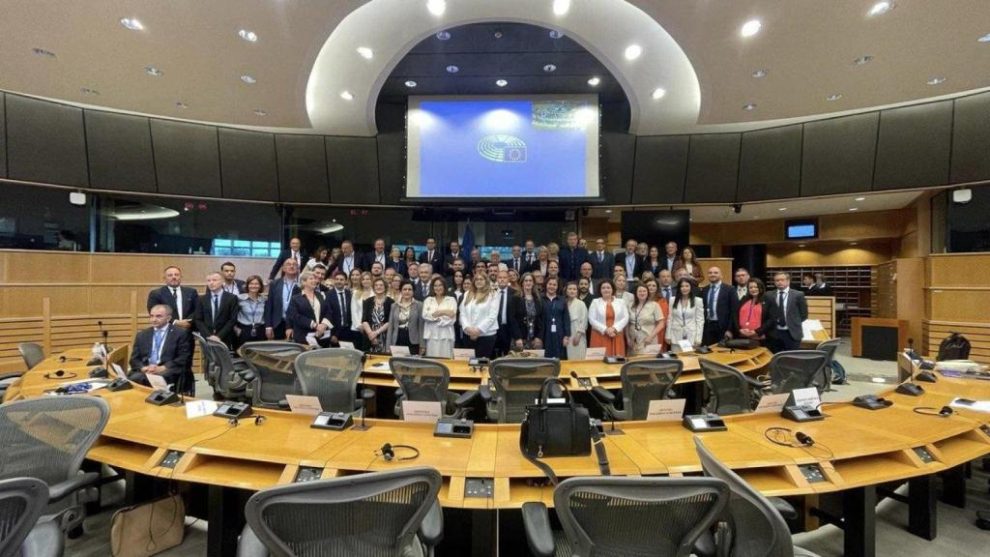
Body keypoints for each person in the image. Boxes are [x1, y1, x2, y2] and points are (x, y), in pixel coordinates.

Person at [128, 304, 191, 388]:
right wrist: (143, 368)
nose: (154, 319)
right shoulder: (142, 335)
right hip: (146, 370)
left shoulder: (180, 333)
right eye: (152, 316)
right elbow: (134, 359)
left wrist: (163, 368)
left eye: (158, 316)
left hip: (168, 370)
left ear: (168, 318)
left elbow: (183, 358)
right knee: (132, 378)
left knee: (148, 379)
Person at [286, 270, 333, 346]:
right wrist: (315, 325)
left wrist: (324, 325)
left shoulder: (322, 295)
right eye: (311, 278)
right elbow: (295, 316)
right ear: (303, 282)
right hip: (304, 336)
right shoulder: (296, 298)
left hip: (322, 336)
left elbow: (329, 312)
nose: (314, 280)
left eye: (315, 279)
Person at [765, 272, 808, 353]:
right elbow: (766, 314)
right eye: (777, 280)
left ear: (788, 281)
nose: (779, 282)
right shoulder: (769, 295)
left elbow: (804, 315)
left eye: (782, 280)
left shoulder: (798, 295)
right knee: (775, 357)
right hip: (774, 333)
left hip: (792, 333)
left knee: (792, 359)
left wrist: (793, 322)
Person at [459, 273, 499, 358]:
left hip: (486, 336)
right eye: (477, 279)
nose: (479, 281)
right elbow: (462, 313)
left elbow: (492, 316)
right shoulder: (467, 294)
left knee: (482, 364)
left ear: (486, 281)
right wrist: (467, 328)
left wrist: (478, 330)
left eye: (481, 279)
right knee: (469, 363)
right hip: (468, 335)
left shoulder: (493, 294)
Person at [194, 272, 239, 348]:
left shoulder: (231, 298)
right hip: (207, 338)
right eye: (208, 280)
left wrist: (219, 336)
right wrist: (209, 336)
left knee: (224, 359)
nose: (211, 283)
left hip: (225, 337)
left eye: (214, 280)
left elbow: (232, 319)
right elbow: (198, 319)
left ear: (222, 282)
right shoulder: (202, 299)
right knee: (209, 359)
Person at [148, 266, 198, 330]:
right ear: (164, 278)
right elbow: (155, 313)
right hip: (166, 330)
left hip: (188, 329)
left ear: (181, 277)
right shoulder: (156, 294)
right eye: (170, 275)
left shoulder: (191, 292)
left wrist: (188, 321)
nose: (174, 277)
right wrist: (175, 322)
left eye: (176, 275)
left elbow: (197, 310)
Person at [588, 280, 628, 357]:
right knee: (599, 361)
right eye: (603, 288)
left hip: (616, 333)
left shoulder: (621, 302)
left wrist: (614, 328)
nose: (606, 289)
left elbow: (625, 317)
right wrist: (606, 329)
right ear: (600, 290)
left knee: (617, 360)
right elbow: (591, 319)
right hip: (599, 334)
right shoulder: (595, 302)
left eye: (608, 287)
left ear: (612, 289)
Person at [264, 259, 299, 341]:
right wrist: (268, 326)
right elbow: (269, 305)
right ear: (283, 268)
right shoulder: (274, 284)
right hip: (277, 323)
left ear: (298, 269)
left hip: (295, 325)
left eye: (294, 264)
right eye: (288, 264)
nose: (291, 266)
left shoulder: (301, 285)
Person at [422, 276, 457, 358]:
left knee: (447, 359)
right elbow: (425, 315)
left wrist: (438, 313)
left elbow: (452, 317)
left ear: (444, 286)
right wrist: (445, 312)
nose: (438, 288)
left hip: (446, 334)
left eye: (440, 285)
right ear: (432, 287)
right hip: (431, 335)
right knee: (432, 360)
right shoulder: (428, 300)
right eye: (435, 285)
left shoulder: (451, 300)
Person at [666, 278, 705, 349]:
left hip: (691, 337)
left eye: (687, 286)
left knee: (689, 359)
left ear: (691, 287)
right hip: (675, 336)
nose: (684, 288)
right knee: (677, 359)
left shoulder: (698, 301)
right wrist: (668, 335)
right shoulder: (672, 300)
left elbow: (700, 321)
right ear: (679, 288)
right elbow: (670, 318)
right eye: (682, 286)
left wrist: (698, 338)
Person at [702, 266, 736, 346]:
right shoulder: (704, 290)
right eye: (710, 273)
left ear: (721, 275)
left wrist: (730, 329)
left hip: (723, 327)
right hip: (708, 326)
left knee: (722, 353)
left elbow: (734, 311)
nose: (712, 274)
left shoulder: (730, 289)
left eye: (715, 273)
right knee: (708, 351)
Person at [386, 281, 423, 354]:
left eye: (410, 289)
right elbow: (391, 327)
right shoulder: (394, 306)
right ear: (400, 291)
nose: (407, 291)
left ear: (413, 292)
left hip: (413, 341)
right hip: (397, 339)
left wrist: (422, 345)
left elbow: (421, 327)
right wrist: (388, 346)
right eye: (404, 289)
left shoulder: (419, 305)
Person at [627, 284, 664, 356]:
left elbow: (661, 323)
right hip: (633, 341)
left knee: (649, 363)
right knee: (634, 363)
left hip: (649, 339)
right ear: (636, 293)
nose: (642, 293)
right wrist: (628, 338)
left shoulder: (654, 305)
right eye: (640, 291)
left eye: (644, 291)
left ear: (648, 293)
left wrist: (651, 337)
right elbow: (627, 323)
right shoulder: (630, 305)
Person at [733, 278, 772, 346]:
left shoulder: (768, 300)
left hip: (760, 338)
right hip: (742, 337)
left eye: (756, 287)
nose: (753, 289)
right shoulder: (744, 299)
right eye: (751, 287)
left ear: (761, 288)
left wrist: (756, 332)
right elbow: (735, 316)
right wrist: (739, 329)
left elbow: (771, 320)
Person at [512, 273, 544, 351]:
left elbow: (542, 319)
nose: (528, 283)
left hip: (534, 340)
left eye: (530, 280)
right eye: (526, 281)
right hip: (520, 339)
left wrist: (539, 337)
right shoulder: (516, 298)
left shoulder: (538, 299)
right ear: (522, 283)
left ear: (533, 283)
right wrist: (517, 337)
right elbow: (512, 320)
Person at [541, 276, 571, 359]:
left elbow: (566, 319)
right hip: (544, 333)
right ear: (546, 285)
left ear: (557, 287)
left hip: (559, 333)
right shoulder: (540, 298)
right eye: (550, 284)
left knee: (560, 358)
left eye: (554, 285)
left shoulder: (562, 300)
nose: (552, 286)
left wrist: (567, 336)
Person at [362, 277, 393, 354]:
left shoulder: (391, 302)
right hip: (369, 336)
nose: (378, 287)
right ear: (373, 287)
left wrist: (376, 333)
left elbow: (390, 321)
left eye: (381, 285)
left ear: (385, 287)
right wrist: (371, 334)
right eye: (376, 285)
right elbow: (364, 320)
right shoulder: (367, 301)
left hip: (385, 335)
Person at [234, 275, 267, 348]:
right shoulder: (239, 298)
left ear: (260, 286)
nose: (254, 286)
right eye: (251, 283)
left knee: (259, 356)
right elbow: (232, 315)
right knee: (242, 356)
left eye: (256, 284)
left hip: (260, 331)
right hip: (243, 330)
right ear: (247, 285)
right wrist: (236, 329)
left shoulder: (264, 300)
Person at [326, 271, 355, 347]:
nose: (339, 281)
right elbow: (327, 315)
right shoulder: (328, 295)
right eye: (337, 279)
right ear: (334, 280)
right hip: (335, 332)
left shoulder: (350, 294)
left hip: (349, 331)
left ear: (345, 281)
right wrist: (332, 334)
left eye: (341, 280)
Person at [493, 270, 517, 356]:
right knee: (494, 355)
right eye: (500, 277)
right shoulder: (491, 293)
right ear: (496, 279)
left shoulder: (515, 294)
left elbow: (517, 315)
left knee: (507, 355)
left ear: (508, 279)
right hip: (493, 328)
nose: (502, 280)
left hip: (508, 329)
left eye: (504, 277)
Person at [565, 281, 588, 360]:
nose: (572, 291)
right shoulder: (563, 303)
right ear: (566, 291)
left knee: (577, 357)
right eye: (570, 289)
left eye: (574, 289)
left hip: (577, 334)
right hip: (566, 336)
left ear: (577, 291)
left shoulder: (581, 304)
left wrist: (578, 336)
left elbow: (584, 320)